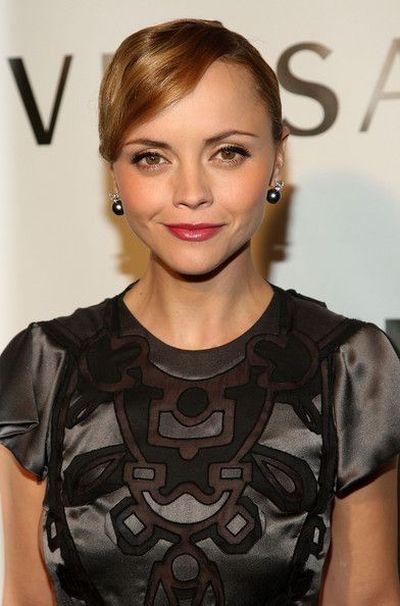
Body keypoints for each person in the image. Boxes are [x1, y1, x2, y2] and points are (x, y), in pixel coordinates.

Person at [0, 18, 399, 606]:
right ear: (114, 173)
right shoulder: (45, 367)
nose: (192, 191)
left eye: (228, 152)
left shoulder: (349, 370)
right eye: (151, 157)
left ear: (277, 159)